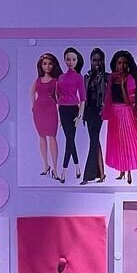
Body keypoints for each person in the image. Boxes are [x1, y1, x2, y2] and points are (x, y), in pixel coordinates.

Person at [102, 50, 137, 185]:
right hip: (114, 114)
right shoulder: (112, 78)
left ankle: (129, 171)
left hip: (126, 113)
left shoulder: (130, 79)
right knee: (117, 143)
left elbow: (128, 101)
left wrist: (123, 86)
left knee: (127, 142)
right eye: (119, 63)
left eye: (124, 63)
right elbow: (109, 96)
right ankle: (121, 171)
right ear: (115, 64)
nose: (122, 65)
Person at [56, 47, 86, 182]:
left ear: (77, 61)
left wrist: (80, 115)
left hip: (73, 110)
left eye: (73, 60)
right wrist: (58, 117)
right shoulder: (61, 77)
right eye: (68, 59)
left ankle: (64, 171)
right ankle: (78, 167)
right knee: (70, 140)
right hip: (63, 110)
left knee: (70, 140)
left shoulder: (78, 77)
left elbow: (83, 98)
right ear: (64, 60)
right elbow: (58, 95)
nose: (70, 62)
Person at [31, 53, 61, 178]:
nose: (47, 66)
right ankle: (45, 165)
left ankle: (55, 168)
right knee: (42, 136)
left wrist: (59, 114)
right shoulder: (37, 81)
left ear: (53, 65)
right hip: (39, 110)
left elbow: (58, 98)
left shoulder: (55, 81)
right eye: (44, 64)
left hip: (51, 109)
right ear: (41, 65)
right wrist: (33, 106)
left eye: (50, 64)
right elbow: (32, 92)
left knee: (52, 136)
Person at [81, 47, 108, 184]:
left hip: (99, 112)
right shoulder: (86, 77)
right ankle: (102, 174)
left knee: (93, 142)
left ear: (102, 61)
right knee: (95, 141)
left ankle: (87, 176)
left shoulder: (106, 77)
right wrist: (82, 114)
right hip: (89, 112)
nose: (96, 63)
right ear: (90, 61)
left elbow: (109, 96)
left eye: (99, 60)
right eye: (94, 60)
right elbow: (83, 97)